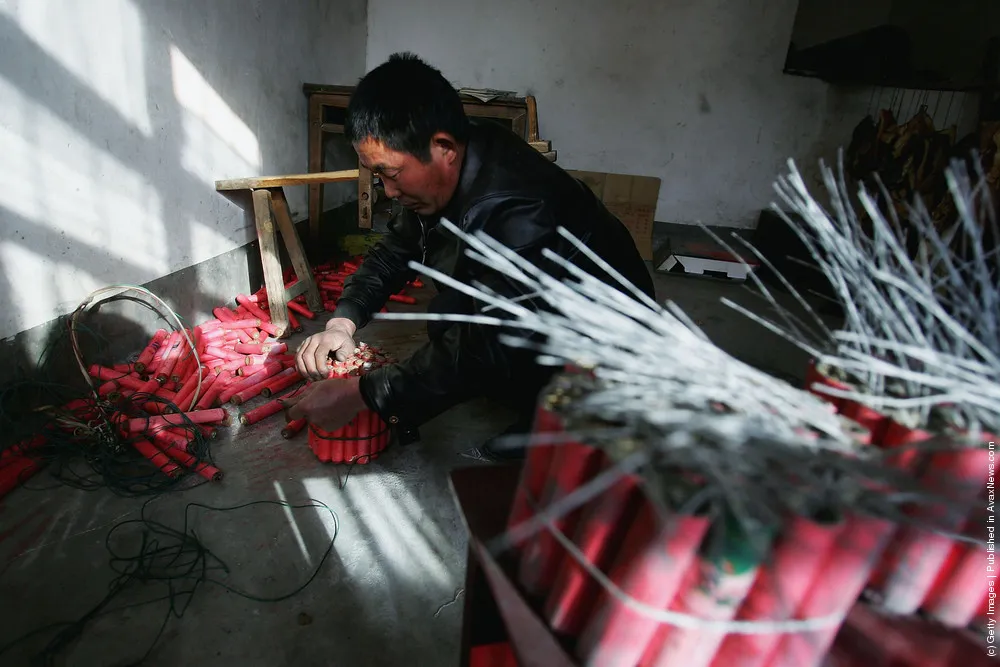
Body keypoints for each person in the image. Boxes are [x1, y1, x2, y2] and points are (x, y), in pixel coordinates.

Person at [285, 53, 654, 452]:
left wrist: (367, 394)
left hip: (606, 337)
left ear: (443, 148)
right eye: (379, 176)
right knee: (448, 319)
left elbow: (489, 339)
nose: (388, 191)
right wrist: (344, 321)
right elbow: (397, 250)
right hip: (542, 313)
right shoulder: (448, 157)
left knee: (482, 342)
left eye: (390, 174)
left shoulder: (518, 206)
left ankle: (569, 421)